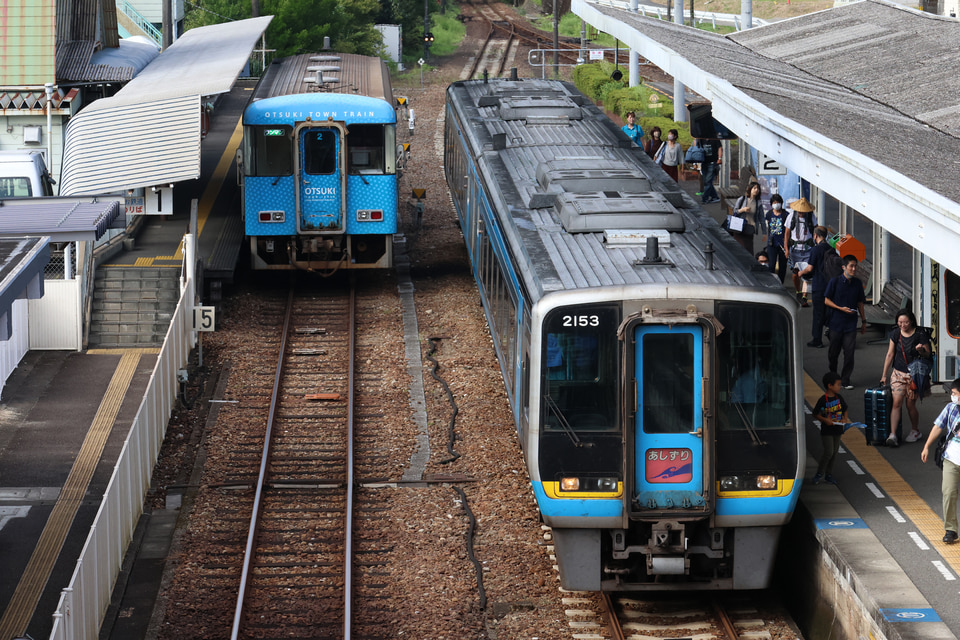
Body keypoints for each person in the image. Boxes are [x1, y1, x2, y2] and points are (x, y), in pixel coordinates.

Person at [880, 309, 932, 446]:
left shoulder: (920, 334)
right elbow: (890, 354)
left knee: (910, 405)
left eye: (906, 322)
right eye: (900, 322)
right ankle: (893, 434)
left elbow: (928, 354)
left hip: (914, 375)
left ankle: (915, 430)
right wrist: (884, 375)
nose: (903, 325)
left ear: (912, 321)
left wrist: (921, 350)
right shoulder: (895, 333)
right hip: (898, 373)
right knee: (897, 403)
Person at [919, 378, 960, 544]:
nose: (952, 396)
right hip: (951, 458)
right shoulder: (950, 408)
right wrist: (927, 446)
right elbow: (938, 426)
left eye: (955, 393)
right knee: (948, 492)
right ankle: (951, 529)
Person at [824, 255, 867, 390]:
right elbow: (826, 300)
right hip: (836, 323)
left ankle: (845, 379)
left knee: (849, 353)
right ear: (844, 267)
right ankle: (833, 376)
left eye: (855, 266)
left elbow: (860, 303)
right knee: (833, 353)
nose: (854, 269)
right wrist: (839, 308)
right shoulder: (834, 282)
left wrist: (864, 321)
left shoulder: (857, 284)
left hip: (850, 324)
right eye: (851, 266)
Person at [812, 371, 851, 485]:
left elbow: (845, 409)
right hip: (827, 431)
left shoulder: (839, 398)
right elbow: (815, 414)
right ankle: (819, 473)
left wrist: (845, 419)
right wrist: (825, 420)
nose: (839, 387)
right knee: (829, 452)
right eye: (838, 384)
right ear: (830, 385)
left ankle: (828, 474)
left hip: (838, 430)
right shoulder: (823, 400)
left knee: (834, 452)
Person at [798, 226, 831, 345]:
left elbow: (810, 268)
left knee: (818, 313)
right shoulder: (830, 249)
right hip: (830, 284)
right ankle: (832, 333)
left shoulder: (815, 250)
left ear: (815, 236)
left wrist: (801, 272)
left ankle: (817, 340)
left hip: (819, 285)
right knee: (828, 311)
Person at [785, 197, 817, 303]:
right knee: (796, 273)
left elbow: (816, 230)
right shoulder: (791, 216)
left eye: (803, 212)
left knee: (807, 273)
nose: (801, 213)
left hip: (808, 249)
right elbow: (787, 233)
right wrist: (786, 249)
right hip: (795, 249)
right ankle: (798, 291)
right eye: (800, 211)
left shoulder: (811, 217)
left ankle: (804, 296)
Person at [728, 182, 766, 254]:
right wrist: (743, 210)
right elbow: (735, 211)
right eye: (754, 188)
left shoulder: (758, 203)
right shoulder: (742, 199)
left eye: (757, 188)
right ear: (750, 189)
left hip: (750, 228)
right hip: (739, 227)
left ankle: (748, 265)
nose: (756, 190)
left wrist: (764, 232)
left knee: (749, 250)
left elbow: (762, 218)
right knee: (739, 249)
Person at [763, 194, 789, 283]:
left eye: (778, 202)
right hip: (772, 243)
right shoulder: (769, 214)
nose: (776, 204)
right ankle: (771, 282)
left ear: (781, 203)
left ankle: (781, 283)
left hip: (783, 244)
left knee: (782, 266)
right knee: (771, 264)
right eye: (774, 202)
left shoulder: (786, 215)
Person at [698, 139, 720, 204]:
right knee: (706, 181)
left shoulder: (714, 139)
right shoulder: (701, 139)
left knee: (708, 181)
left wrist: (720, 158)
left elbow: (720, 148)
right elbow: (696, 147)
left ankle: (705, 199)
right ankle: (715, 197)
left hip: (712, 163)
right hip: (704, 162)